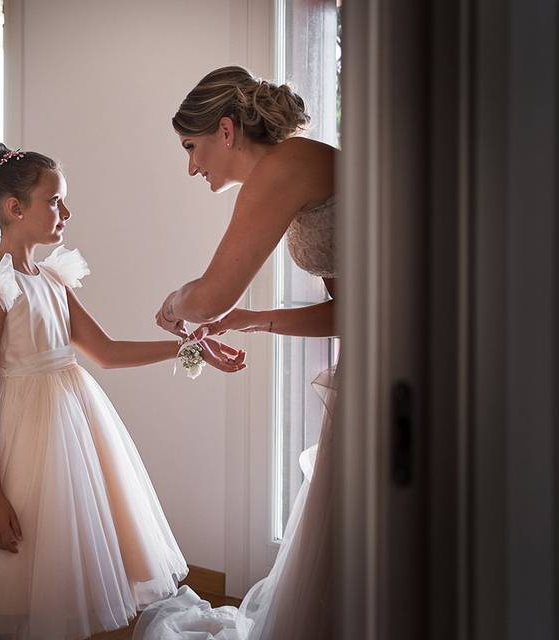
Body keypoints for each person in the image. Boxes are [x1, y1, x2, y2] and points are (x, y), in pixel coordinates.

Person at [0, 141, 246, 640]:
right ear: (15, 209)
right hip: (16, 442)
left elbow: (108, 352)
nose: (65, 212)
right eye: (55, 201)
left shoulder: (51, 281)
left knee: (58, 557)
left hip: (68, 430)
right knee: (10, 568)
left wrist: (190, 347)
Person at [136, 66, 340, 640]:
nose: (191, 166)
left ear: (226, 131)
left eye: (191, 147)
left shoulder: (285, 166)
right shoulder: (292, 170)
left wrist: (177, 303)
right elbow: (356, 310)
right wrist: (254, 320)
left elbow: (210, 294)